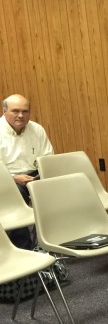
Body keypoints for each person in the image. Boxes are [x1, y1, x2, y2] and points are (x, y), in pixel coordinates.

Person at [1, 94, 54, 248]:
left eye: (25, 111)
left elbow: (47, 157)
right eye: (15, 111)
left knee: (56, 189)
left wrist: (43, 174)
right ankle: (22, 245)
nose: (21, 115)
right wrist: (13, 178)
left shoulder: (37, 129)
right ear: (4, 111)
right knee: (17, 195)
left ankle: (46, 241)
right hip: (6, 178)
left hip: (34, 174)